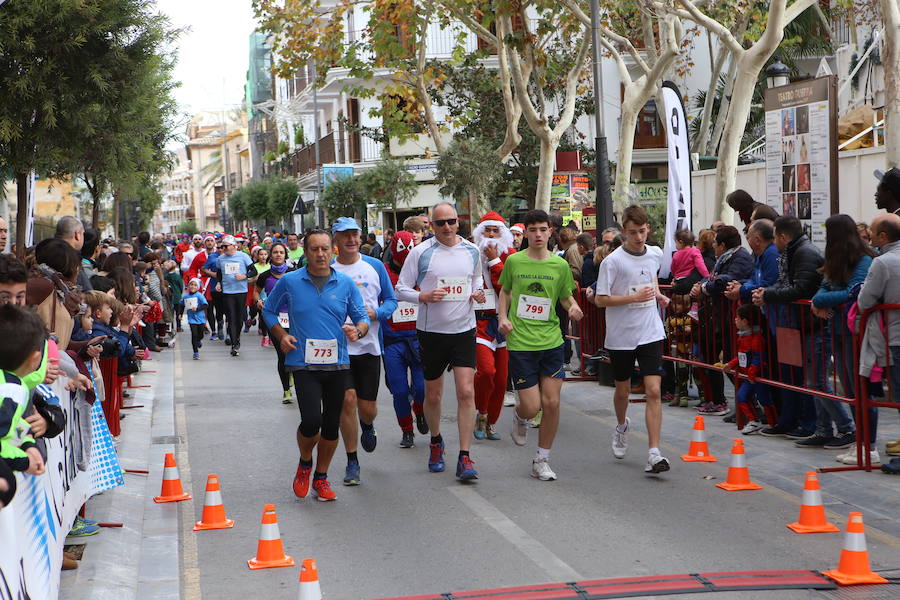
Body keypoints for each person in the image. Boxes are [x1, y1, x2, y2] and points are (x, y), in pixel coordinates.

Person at [262, 229, 370, 502]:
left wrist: (358, 330)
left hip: (338, 364)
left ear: (333, 250)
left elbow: (361, 318)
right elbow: (268, 310)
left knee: (331, 425)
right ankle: (305, 461)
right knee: (311, 421)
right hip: (303, 363)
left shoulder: (345, 283)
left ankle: (321, 478)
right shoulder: (290, 281)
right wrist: (282, 335)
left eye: (325, 249)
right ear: (305, 252)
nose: (320, 254)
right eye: (314, 249)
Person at [396, 202, 486, 480]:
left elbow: (477, 279)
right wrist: (422, 296)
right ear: (431, 226)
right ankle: (436, 441)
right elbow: (400, 288)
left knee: (466, 392)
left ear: (458, 223)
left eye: (451, 221)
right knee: (433, 395)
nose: (446, 227)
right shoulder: (421, 253)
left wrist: (478, 293)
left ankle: (465, 456)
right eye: (440, 223)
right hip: (431, 332)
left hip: (463, 330)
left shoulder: (472, 251)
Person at [499, 210, 583, 480]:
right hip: (522, 342)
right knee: (531, 405)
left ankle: (542, 459)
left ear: (550, 232)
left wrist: (574, 307)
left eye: (542, 229)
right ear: (526, 233)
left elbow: (565, 296)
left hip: (551, 340)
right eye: (532, 229)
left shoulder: (559, 266)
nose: (537, 234)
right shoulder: (514, 261)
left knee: (552, 403)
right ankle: (521, 417)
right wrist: (502, 317)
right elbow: (506, 291)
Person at [588, 204, 671, 474]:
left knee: (654, 390)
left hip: (650, 331)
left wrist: (658, 295)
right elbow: (600, 299)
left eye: (643, 231)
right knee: (622, 390)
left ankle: (654, 452)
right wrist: (633, 298)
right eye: (633, 232)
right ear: (625, 232)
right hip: (621, 335)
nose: (639, 237)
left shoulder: (655, 255)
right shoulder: (613, 262)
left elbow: (651, 279)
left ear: (648, 229)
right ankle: (622, 426)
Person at [330, 218, 398, 486]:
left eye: (354, 235)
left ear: (360, 237)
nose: (350, 240)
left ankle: (367, 425)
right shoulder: (328, 269)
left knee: (367, 409)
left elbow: (391, 301)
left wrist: (377, 313)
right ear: (335, 239)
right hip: (339, 349)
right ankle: (352, 461)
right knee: (347, 400)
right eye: (344, 235)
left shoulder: (375, 266)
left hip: (369, 346)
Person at [752, 216, 822, 439]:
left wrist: (768, 295)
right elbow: (784, 283)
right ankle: (788, 420)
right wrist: (766, 292)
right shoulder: (791, 252)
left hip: (803, 324)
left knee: (803, 378)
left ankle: (808, 423)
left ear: (783, 237)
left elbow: (800, 289)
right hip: (790, 322)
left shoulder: (805, 253)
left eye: (774, 237)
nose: (773, 242)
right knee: (789, 374)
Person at [805, 214, 870, 450]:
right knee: (849, 387)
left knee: (857, 386)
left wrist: (824, 301)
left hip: (856, 330)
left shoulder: (863, 260)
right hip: (838, 329)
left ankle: (865, 440)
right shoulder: (835, 260)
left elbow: (855, 293)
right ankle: (860, 438)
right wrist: (822, 301)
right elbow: (821, 291)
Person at [690, 225, 753, 416]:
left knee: (732, 363)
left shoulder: (740, 257)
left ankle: (748, 406)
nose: (714, 246)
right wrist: (700, 286)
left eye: (716, 243)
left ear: (723, 245)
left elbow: (726, 280)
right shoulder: (723, 259)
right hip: (719, 317)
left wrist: (705, 287)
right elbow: (712, 277)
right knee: (716, 361)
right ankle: (722, 402)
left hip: (735, 318)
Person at [856, 213, 900, 465]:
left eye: (872, 231)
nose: (869, 236)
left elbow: (865, 301)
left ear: (883, 236)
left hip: (895, 337)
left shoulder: (882, 262)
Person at [380, 231, 427, 448]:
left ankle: (420, 410)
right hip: (393, 342)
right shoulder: (383, 273)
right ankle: (407, 430)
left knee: (421, 388)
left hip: (418, 339)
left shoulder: (423, 271)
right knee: (399, 391)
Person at [471, 212, 514, 442]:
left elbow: (507, 290)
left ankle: (491, 422)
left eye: (495, 231)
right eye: (486, 230)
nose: (490, 235)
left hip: (504, 323)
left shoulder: (511, 258)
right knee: (487, 372)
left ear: (502, 233)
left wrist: (496, 261)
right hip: (480, 322)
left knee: (501, 379)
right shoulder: (471, 256)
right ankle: (482, 413)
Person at [0, 304, 49, 509]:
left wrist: (27, 441)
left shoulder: (8, 384)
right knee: (6, 485)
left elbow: (12, 424)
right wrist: (24, 460)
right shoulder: (12, 390)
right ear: (35, 358)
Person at [720, 303, 774, 434]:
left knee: (764, 399)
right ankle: (754, 421)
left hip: (757, 376)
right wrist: (731, 364)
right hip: (749, 377)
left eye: (737, 317)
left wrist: (752, 371)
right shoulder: (743, 336)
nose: (735, 320)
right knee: (741, 396)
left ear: (745, 321)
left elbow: (758, 357)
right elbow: (741, 355)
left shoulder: (756, 339)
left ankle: (773, 423)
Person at [254, 243, 296, 401]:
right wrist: (259, 301)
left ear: (286, 255)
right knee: (282, 354)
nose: (278, 255)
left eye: (281, 252)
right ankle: (286, 390)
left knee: (295, 351)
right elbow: (256, 292)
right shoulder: (265, 276)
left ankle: (292, 373)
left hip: (293, 318)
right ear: (270, 255)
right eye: (275, 252)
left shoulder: (293, 273)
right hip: (275, 319)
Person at [215, 235, 253, 356]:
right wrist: (219, 283)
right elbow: (219, 273)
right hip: (227, 292)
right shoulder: (221, 259)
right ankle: (234, 344)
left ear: (234, 246)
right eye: (222, 246)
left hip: (241, 291)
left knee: (239, 317)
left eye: (226, 246)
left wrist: (244, 276)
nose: (224, 248)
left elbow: (254, 271)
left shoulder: (243, 256)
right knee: (231, 318)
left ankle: (237, 338)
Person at [669, 229, 709, 296]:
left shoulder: (676, 254)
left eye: (676, 242)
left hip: (678, 281)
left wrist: (674, 276)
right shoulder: (695, 251)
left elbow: (673, 268)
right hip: (689, 280)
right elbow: (700, 265)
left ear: (680, 242)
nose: (676, 245)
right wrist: (707, 276)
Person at [182, 278, 209, 360]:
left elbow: (205, 305)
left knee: (200, 334)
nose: (192, 286)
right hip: (191, 319)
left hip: (200, 319)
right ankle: (195, 352)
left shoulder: (199, 295)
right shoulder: (186, 296)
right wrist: (180, 314)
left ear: (198, 287)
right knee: (194, 334)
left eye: (195, 285)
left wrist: (197, 309)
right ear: (188, 286)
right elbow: (181, 305)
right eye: (191, 284)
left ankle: (198, 340)